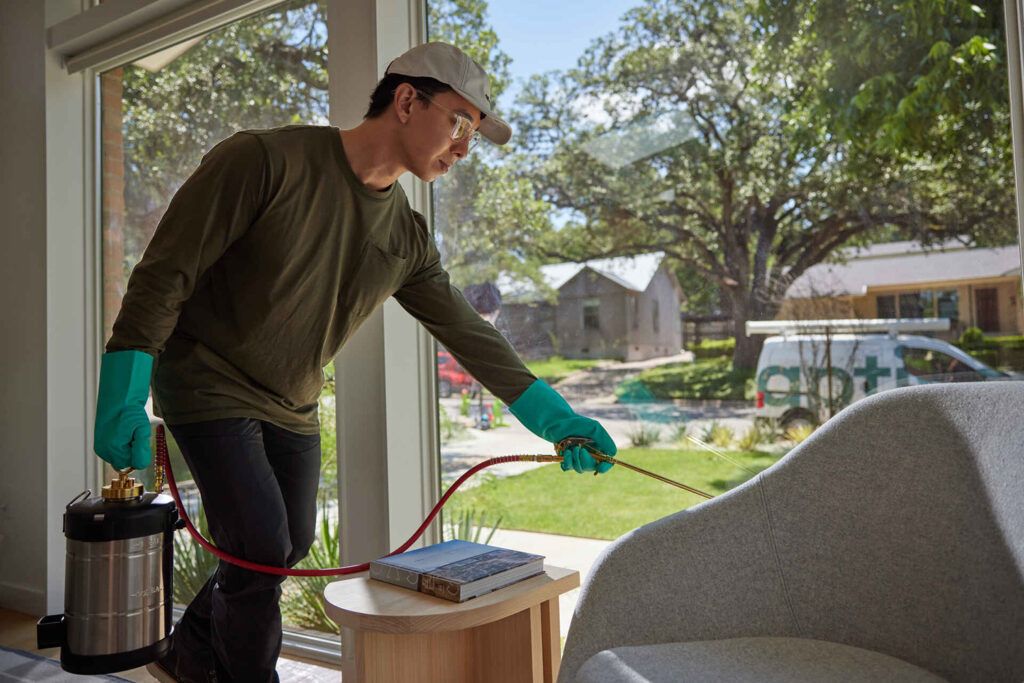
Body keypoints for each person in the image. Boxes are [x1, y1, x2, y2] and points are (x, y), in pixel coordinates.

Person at [93, 42, 616, 683]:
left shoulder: (406, 237)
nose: (463, 148)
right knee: (258, 549)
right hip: (207, 380)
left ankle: (190, 651)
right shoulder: (262, 161)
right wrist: (124, 384)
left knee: (287, 545)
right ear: (405, 100)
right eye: (458, 123)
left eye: (473, 135)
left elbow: (467, 333)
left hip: (294, 399)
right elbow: (164, 273)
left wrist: (556, 417)